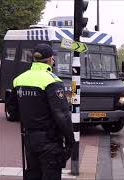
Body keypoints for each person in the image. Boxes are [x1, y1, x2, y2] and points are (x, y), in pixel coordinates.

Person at [6, 44, 75, 180]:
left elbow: (12, 110)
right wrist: (70, 140)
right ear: (50, 59)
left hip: (29, 140)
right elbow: (62, 115)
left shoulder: (19, 79)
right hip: (50, 142)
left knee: (33, 175)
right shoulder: (52, 81)